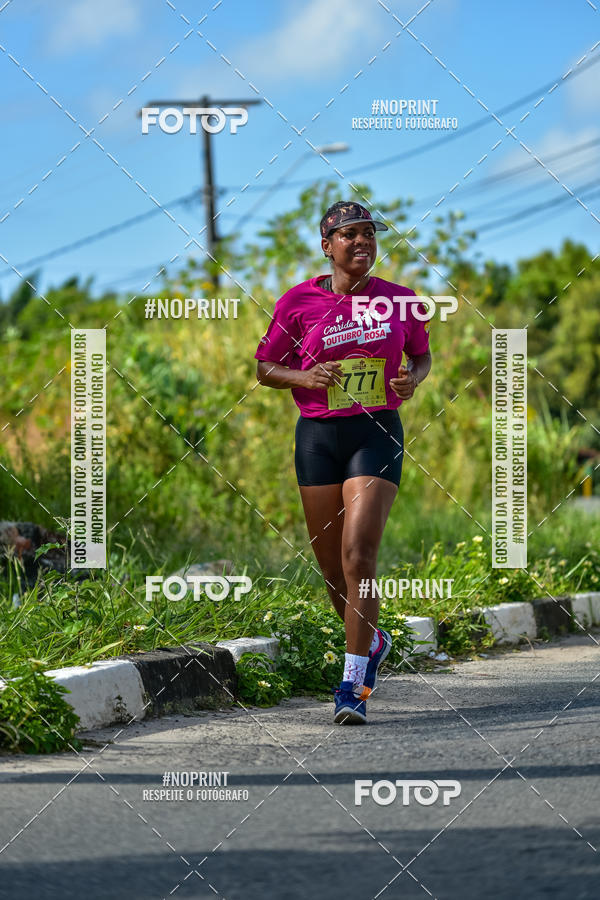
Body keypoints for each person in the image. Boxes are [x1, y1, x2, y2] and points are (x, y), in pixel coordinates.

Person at [255, 201, 432, 724]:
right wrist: (303, 378)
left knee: (359, 557)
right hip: (316, 436)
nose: (361, 243)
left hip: (375, 431)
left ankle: (352, 684)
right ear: (327, 245)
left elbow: (421, 356)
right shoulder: (297, 303)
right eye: (348, 235)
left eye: (368, 235)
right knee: (332, 569)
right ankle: (373, 639)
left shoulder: (402, 302)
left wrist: (412, 380)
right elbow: (266, 367)